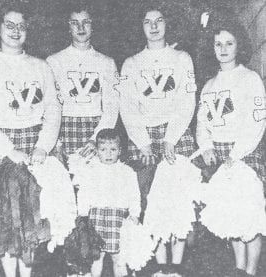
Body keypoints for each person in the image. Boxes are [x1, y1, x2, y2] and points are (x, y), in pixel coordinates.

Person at [0, 2, 61, 276]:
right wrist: (10, 150)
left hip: (35, 143)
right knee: (6, 220)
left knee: (31, 218)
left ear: (28, 31)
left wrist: (44, 145)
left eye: (21, 26)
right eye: (9, 25)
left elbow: (53, 108)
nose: (15, 31)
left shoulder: (41, 66)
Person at [119, 2, 197, 276]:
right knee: (149, 202)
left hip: (176, 135)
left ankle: (176, 268)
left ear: (167, 24)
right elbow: (126, 105)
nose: (154, 26)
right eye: (147, 21)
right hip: (142, 137)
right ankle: (158, 267)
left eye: (159, 20)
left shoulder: (182, 59)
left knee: (177, 202)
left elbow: (188, 100)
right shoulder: (131, 64)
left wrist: (171, 138)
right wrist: (142, 141)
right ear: (140, 27)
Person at [197, 18, 266, 277]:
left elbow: (257, 120)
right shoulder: (209, 85)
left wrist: (236, 155)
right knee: (230, 215)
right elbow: (202, 122)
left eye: (229, 43)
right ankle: (238, 268)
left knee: (249, 216)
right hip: (220, 155)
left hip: (244, 153)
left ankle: (251, 270)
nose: (223, 48)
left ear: (239, 46)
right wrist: (205, 145)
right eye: (218, 44)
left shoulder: (250, 79)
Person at [46, 0, 119, 161]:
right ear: (68, 27)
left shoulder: (107, 62)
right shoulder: (54, 61)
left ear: (93, 26)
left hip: (97, 129)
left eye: (86, 22)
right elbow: (50, 107)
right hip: (63, 129)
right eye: (75, 23)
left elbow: (112, 106)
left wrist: (97, 138)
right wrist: (54, 142)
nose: (80, 28)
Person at [74, 128, 140, 277]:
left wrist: (135, 213)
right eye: (103, 149)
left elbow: (135, 195)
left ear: (120, 150)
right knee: (97, 256)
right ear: (97, 150)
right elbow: (84, 193)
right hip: (95, 217)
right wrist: (83, 215)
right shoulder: (90, 170)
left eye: (113, 149)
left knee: (119, 257)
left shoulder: (128, 172)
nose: (108, 154)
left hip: (119, 218)